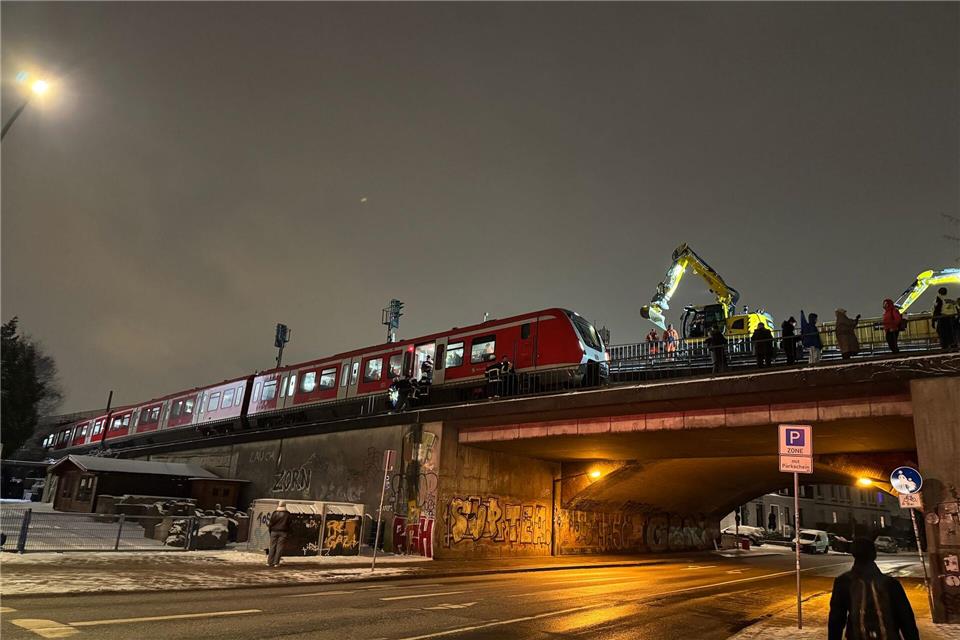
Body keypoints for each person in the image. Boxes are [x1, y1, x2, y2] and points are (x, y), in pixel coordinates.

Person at [828, 537, 919, 640]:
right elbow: (906, 620)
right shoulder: (891, 584)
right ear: (874, 555)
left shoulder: (844, 582)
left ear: (854, 554)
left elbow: (836, 620)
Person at [267, 500, 290, 567]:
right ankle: (276, 563)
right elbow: (289, 524)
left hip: (274, 531)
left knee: (272, 547)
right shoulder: (287, 514)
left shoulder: (275, 513)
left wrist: (270, 530)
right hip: (283, 532)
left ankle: (269, 562)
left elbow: (271, 523)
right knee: (279, 547)